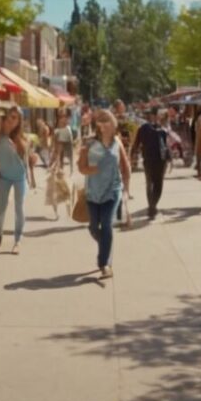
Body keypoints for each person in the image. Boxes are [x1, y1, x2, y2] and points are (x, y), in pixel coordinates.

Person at [78, 108, 131, 278]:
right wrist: (90, 170)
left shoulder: (117, 142)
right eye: (102, 121)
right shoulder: (89, 143)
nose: (106, 124)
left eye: (108, 121)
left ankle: (104, 264)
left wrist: (126, 192)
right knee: (94, 228)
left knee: (107, 225)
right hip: (93, 193)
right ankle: (105, 245)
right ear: (98, 125)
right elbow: (81, 167)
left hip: (112, 191)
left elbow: (125, 167)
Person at [0, 106, 35, 254]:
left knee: (19, 209)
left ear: (19, 121)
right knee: (0, 209)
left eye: (15, 118)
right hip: (3, 176)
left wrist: (30, 178)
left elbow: (26, 158)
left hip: (19, 177)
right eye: (10, 116)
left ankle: (17, 240)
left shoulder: (22, 137)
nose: (11, 120)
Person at [131, 106, 169, 219]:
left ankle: (152, 206)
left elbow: (136, 145)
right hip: (156, 161)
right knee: (156, 184)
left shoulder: (157, 130)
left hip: (152, 160)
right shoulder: (159, 130)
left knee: (152, 183)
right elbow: (165, 148)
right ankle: (152, 207)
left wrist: (132, 155)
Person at [52, 108, 76, 175]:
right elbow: (57, 129)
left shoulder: (65, 120)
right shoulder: (59, 120)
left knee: (60, 153)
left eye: (62, 112)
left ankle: (60, 168)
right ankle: (59, 168)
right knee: (59, 153)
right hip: (61, 135)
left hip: (63, 135)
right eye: (60, 112)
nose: (61, 113)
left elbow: (64, 126)